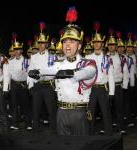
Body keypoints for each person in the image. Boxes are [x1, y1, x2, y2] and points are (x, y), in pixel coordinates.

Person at [29, 7, 97, 136]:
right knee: (64, 149)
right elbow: (50, 70)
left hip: (79, 113)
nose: (67, 45)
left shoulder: (87, 63)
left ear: (79, 45)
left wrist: (71, 73)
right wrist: (37, 72)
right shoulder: (59, 63)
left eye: (72, 41)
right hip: (61, 112)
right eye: (65, 41)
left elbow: (89, 72)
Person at [85, 22, 115, 135]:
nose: (97, 44)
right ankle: (89, 132)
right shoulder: (87, 57)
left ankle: (109, 133)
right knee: (90, 112)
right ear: (92, 44)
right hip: (91, 89)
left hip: (103, 89)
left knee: (106, 112)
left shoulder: (107, 58)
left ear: (102, 44)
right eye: (95, 42)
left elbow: (110, 75)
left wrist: (111, 92)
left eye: (99, 43)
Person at [27, 22, 57, 133]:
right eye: (39, 43)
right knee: (35, 110)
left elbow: (55, 72)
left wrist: (56, 88)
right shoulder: (33, 57)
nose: (40, 45)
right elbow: (30, 72)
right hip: (38, 86)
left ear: (47, 44)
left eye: (43, 43)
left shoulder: (52, 56)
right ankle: (35, 131)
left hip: (49, 86)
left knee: (51, 110)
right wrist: (30, 86)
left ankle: (54, 131)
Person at [106, 30, 129, 135]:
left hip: (118, 86)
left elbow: (126, 72)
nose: (111, 47)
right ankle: (108, 127)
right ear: (107, 46)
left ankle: (121, 127)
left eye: (113, 45)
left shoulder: (121, 57)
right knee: (106, 108)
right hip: (106, 87)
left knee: (119, 107)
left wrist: (125, 86)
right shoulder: (104, 57)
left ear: (116, 46)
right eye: (110, 45)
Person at [8, 34, 32, 130]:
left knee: (25, 105)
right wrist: (8, 87)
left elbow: (30, 75)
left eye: (18, 49)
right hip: (14, 84)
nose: (17, 51)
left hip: (23, 84)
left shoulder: (27, 61)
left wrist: (29, 86)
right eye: (15, 49)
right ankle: (14, 124)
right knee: (13, 105)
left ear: (21, 50)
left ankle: (28, 124)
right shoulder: (10, 61)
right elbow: (8, 75)